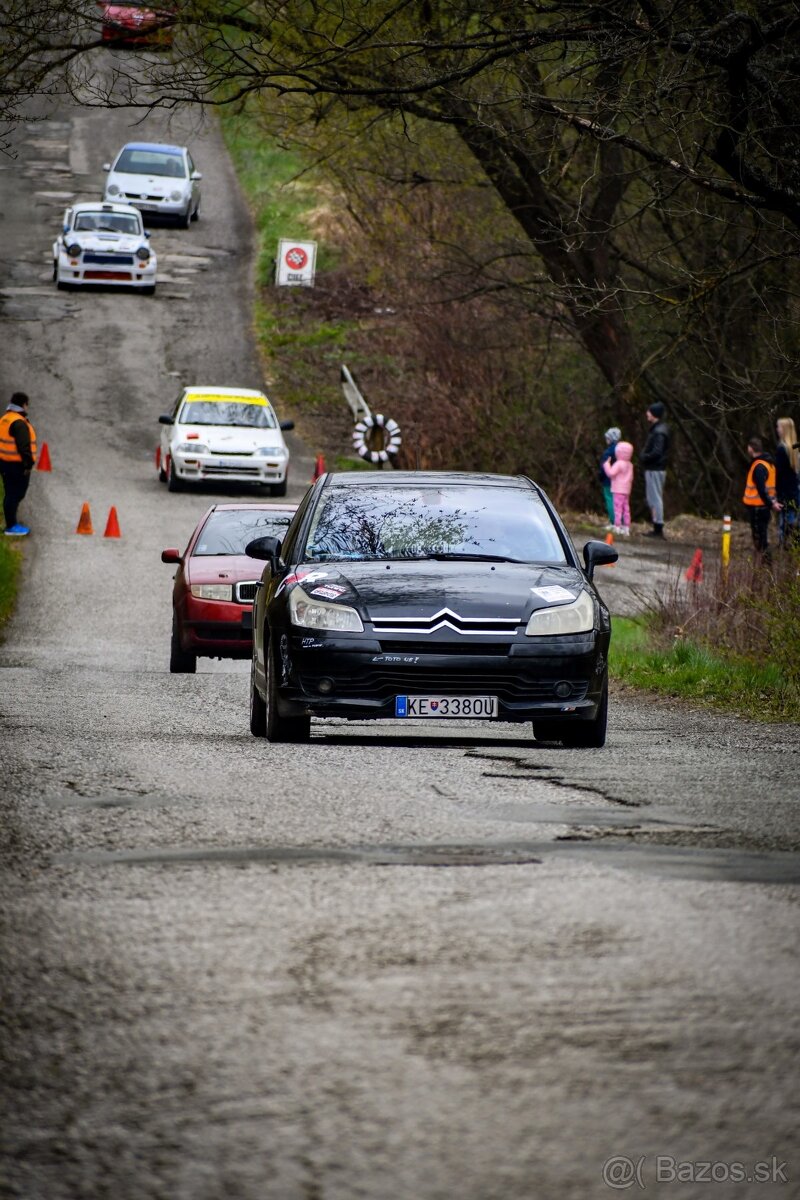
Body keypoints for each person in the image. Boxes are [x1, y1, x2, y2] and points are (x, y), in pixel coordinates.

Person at [0, 392, 37, 536]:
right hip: (16, 465)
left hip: (4, 463)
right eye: (27, 405)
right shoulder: (19, 423)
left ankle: (11, 522)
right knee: (16, 494)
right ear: (23, 405)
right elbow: (24, 446)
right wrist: (28, 464)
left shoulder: (5, 419)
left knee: (10, 494)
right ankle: (11, 526)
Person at [743, 436, 781, 560]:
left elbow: (761, 489)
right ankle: (765, 568)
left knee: (760, 540)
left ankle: (766, 567)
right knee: (761, 537)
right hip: (763, 506)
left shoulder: (759, 466)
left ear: (750, 448)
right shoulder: (768, 464)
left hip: (758, 507)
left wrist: (771, 504)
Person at [641, 401, 670, 538]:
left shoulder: (659, 432)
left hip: (655, 469)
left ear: (654, 414)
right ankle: (656, 526)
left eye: (649, 411)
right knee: (652, 498)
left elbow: (657, 452)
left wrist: (645, 457)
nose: (647, 413)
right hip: (654, 468)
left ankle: (658, 528)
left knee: (655, 498)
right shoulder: (658, 429)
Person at [775, 416, 800, 547]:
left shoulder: (781, 449)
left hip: (785, 495)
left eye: (778, 427)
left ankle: (785, 550)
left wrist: (777, 496)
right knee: (793, 523)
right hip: (795, 494)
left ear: (784, 430)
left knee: (784, 527)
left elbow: (779, 475)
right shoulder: (794, 449)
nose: (777, 430)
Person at [602, 439, 634, 536]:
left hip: (618, 489)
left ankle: (617, 525)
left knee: (617, 508)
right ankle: (626, 526)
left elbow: (611, 473)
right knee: (626, 508)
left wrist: (606, 465)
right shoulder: (630, 465)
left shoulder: (619, 464)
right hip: (626, 490)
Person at [598, 426, 620, 529]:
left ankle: (613, 521)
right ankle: (620, 521)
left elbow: (603, 467)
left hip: (608, 480)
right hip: (619, 481)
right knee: (618, 501)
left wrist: (601, 476)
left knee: (610, 499)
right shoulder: (621, 451)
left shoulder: (608, 452)